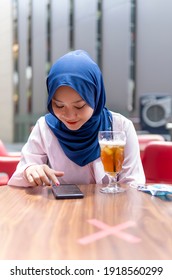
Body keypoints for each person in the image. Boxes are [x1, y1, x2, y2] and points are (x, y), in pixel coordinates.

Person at [8, 50, 145, 188]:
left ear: (95, 99)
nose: (69, 116)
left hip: (111, 208)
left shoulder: (120, 127)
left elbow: (133, 184)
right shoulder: (45, 128)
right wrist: (29, 170)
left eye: (79, 106)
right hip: (61, 208)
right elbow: (19, 178)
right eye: (59, 105)